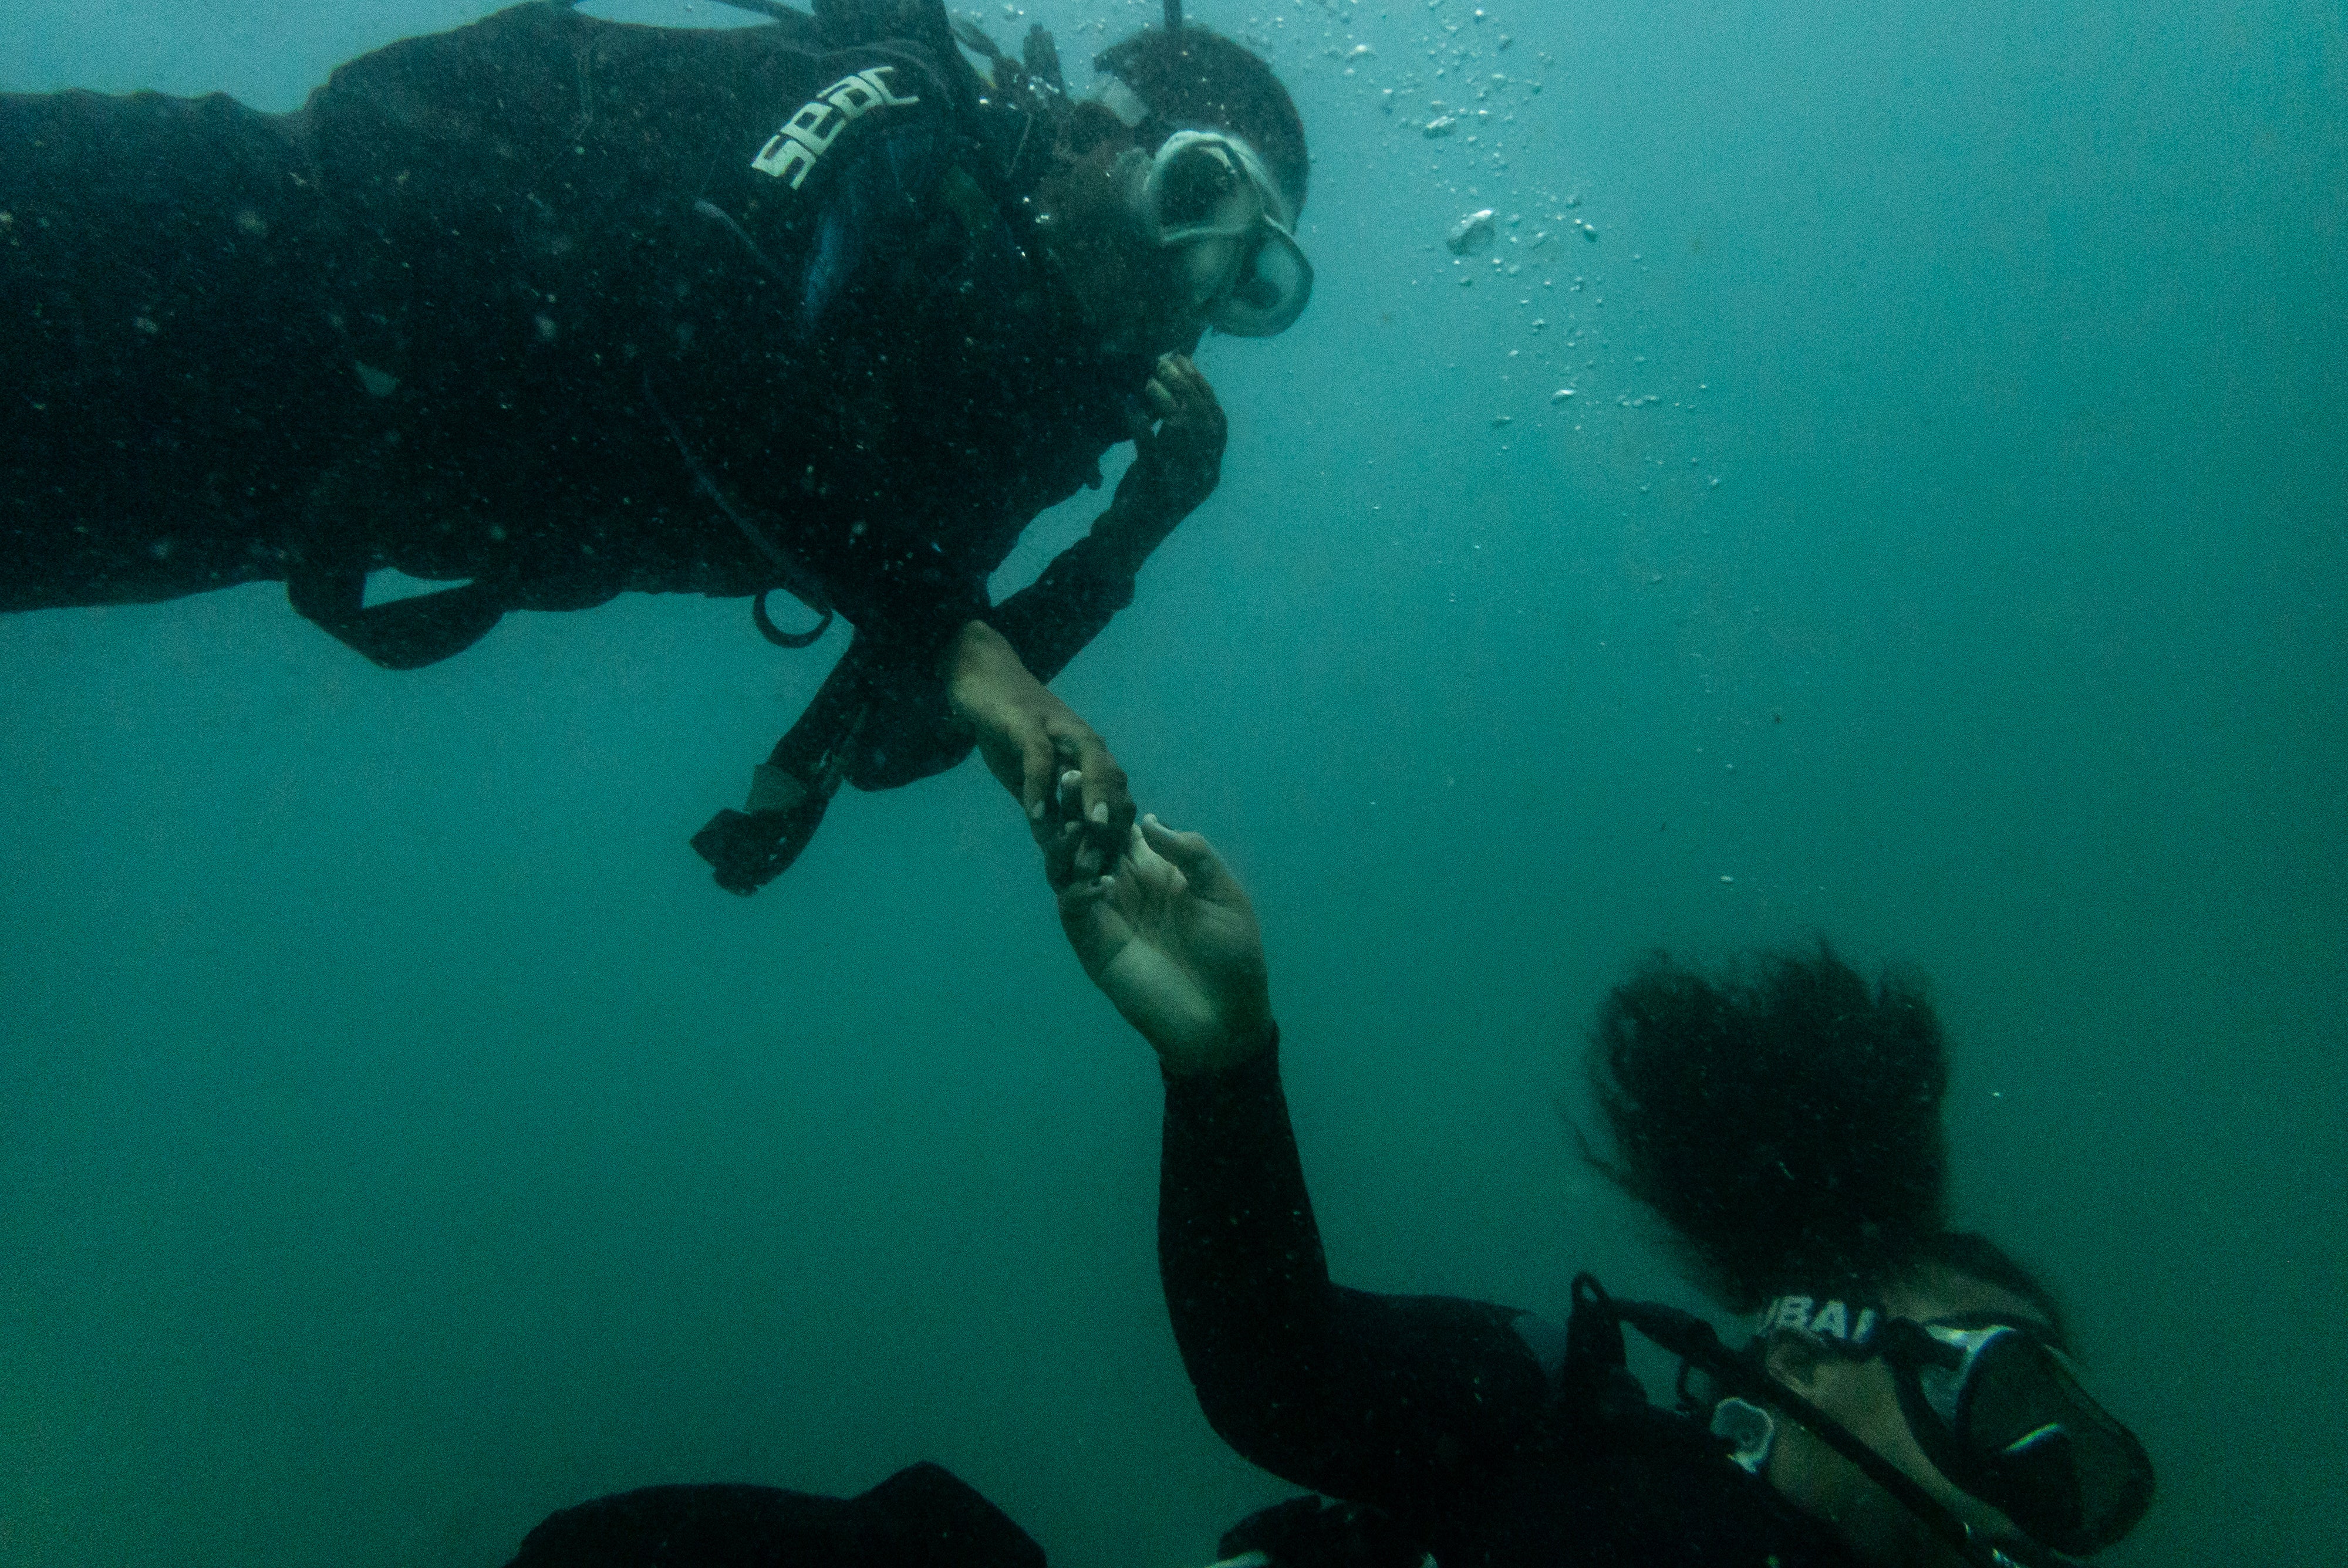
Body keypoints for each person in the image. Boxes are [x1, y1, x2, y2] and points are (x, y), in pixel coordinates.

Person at [0, 0, 1312, 891]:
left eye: (1243, 277)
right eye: (1193, 198)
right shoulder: (904, 127)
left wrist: (1132, 529)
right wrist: (963, 642)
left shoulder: (1025, 407)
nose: (1184, 279)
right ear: (1093, 128)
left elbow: (899, 728)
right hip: (224, 240)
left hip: (283, 491)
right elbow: (693, 314)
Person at [1049, 807, 2157, 1568]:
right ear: (1805, 1355)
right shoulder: (1547, 1414)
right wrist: (1223, 1069)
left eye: (2069, 1440)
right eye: (2005, 1395)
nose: (2042, 1475)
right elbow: (1273, 1369)